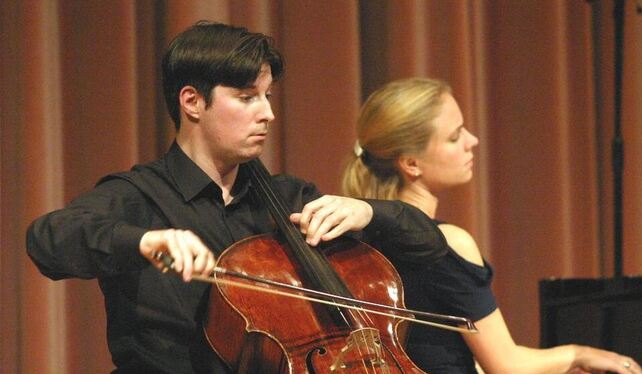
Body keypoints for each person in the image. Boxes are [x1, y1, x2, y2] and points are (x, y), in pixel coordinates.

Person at [25, 22, 446, 373]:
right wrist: (144, 242)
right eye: (247, 98)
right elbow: (48, 239)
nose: (267, 113)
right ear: (192, 102)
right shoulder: (138, 196)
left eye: (267, 96)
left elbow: (429, 243)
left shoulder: (290, 199)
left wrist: (367, 211)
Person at [340, 77, 642, 374]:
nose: (472, 141)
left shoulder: (359, 243)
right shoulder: (446, 243)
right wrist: (580, 353)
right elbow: (507, 365)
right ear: (411, 164)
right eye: (455, 136)